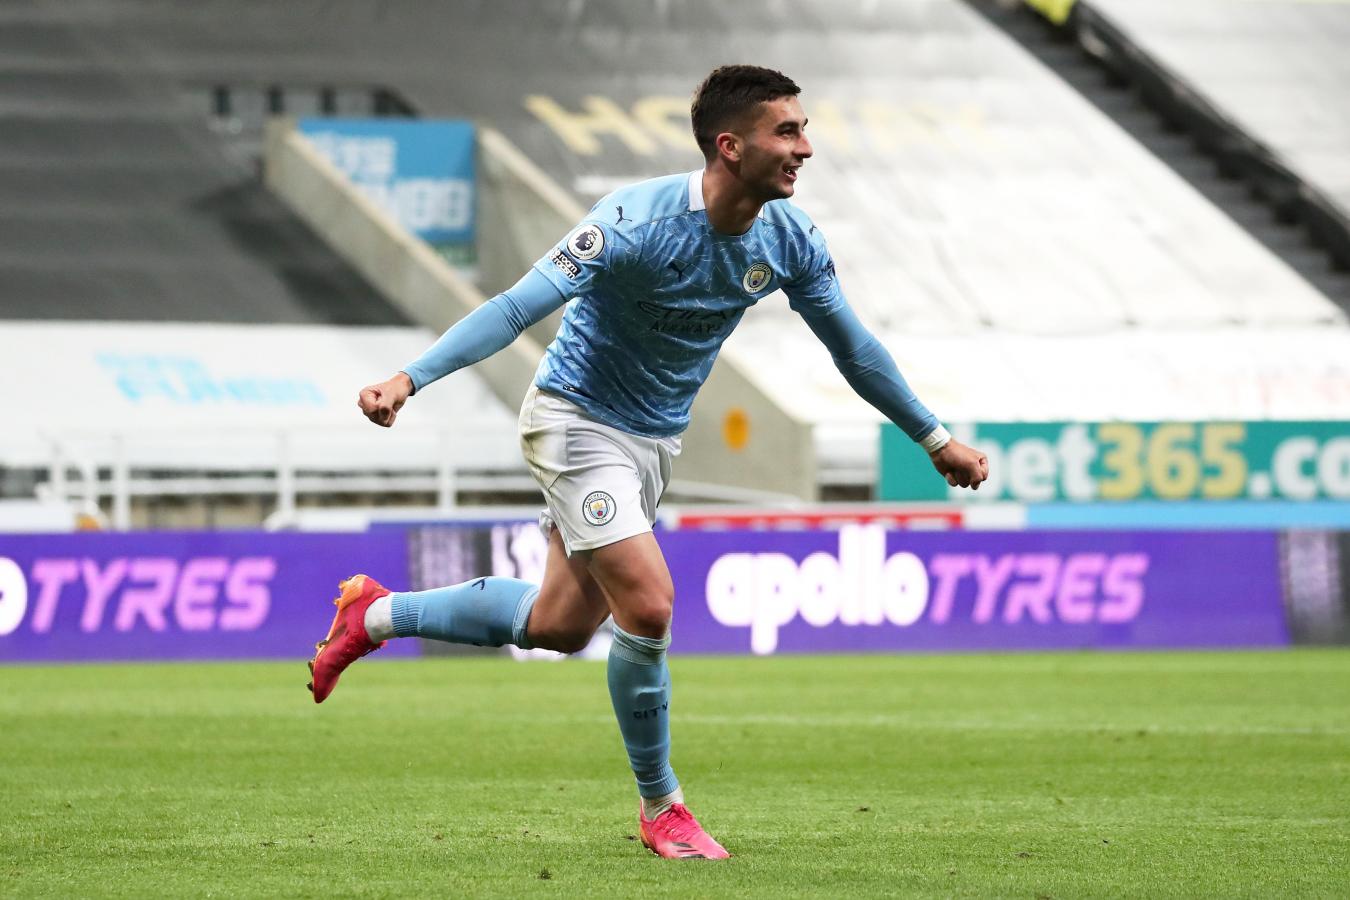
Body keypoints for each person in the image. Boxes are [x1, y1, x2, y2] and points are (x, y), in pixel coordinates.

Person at [307, 64, 989, 860]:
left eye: (803, 130)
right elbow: (516, 307)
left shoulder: (790, 239)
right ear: (730, 147)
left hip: (653, 444)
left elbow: (853, 350)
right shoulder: (632, 222)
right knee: (652, 606)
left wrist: (933, 437)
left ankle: (375, 613)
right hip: (575, 421)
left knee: (559, 626)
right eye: (788, 131)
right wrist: (408, 378)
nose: (806, 148)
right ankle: (662, 806)